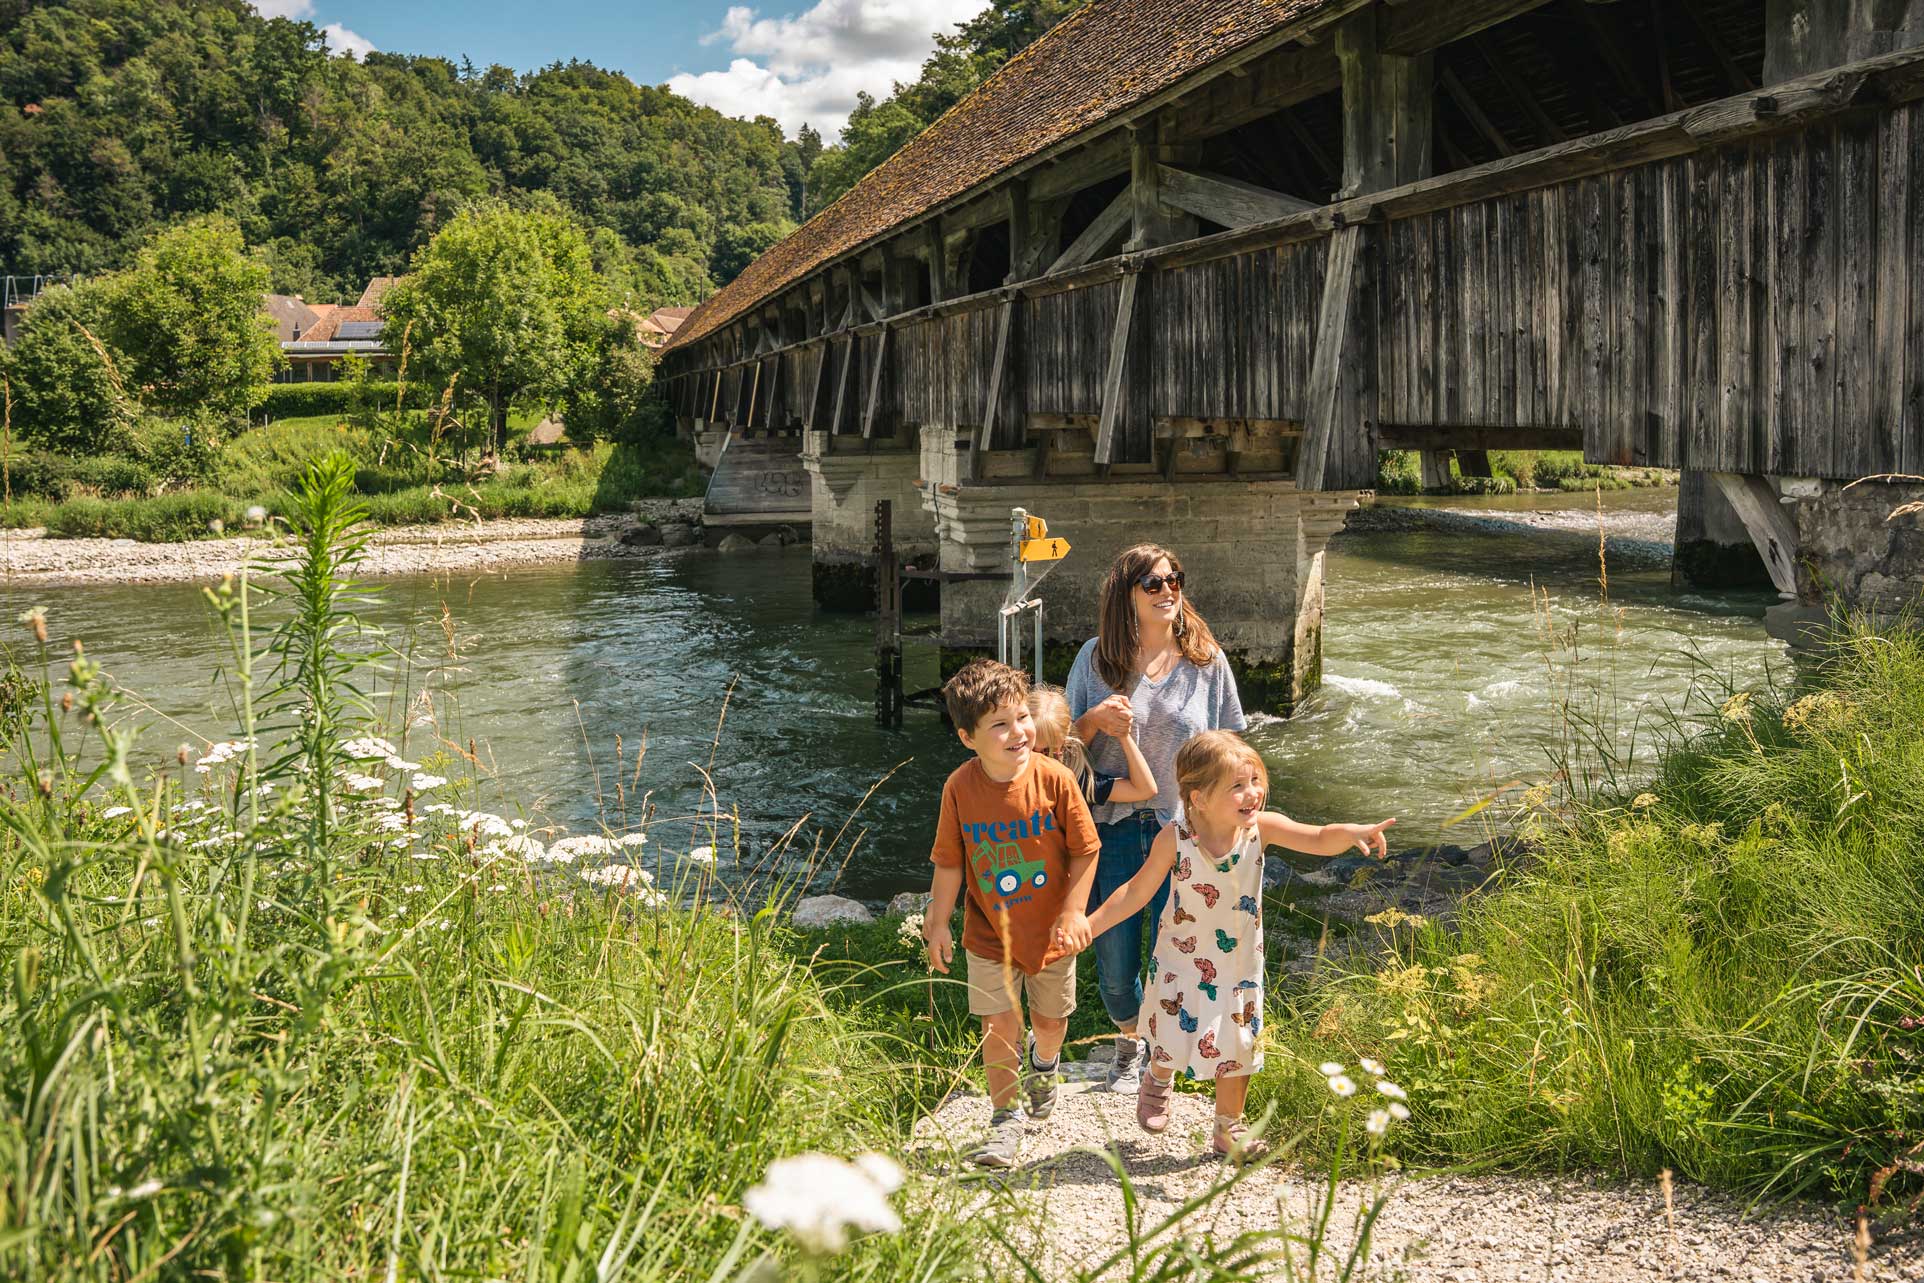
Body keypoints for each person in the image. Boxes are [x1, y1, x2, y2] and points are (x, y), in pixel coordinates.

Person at [1083, 730, 1396, 1160]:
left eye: (1255, 781)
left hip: (1238, 966)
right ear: (1198, 798)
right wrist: (1089, 926)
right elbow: (1135, 892)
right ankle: (1157, 1077)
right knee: (1170, 1029)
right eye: (1237, 786)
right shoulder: (1175, 839)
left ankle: (1227, 1128)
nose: (1253, 793)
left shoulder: (1259, 830)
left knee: (1238, 1045)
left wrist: (1351, 831)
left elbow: (1317, 836)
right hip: (1182, 960)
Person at [1065, 544, 1247, 1093]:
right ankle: (1129, 1033)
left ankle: (1153, 1059)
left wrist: (1236, 816)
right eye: (1153, 583)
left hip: (1183, 831)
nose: (1168, 590)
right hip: (1111, 827)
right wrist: (1092, 720)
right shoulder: (1094, 659)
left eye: (1175, 580)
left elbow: (1232, 747)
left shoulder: (1206, 661)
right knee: (1116, 971)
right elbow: (1060, 747)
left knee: (1177, 956)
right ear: (1126, 595)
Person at [921, 658, 1100, 1169]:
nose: (1019, 731)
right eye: (1000, 724)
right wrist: (938, 922)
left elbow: (1086, 850)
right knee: (999, 1026)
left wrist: (1074, 913)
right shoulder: (959, 788)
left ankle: (1045, 1062)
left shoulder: (1056, 779)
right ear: (967, 738)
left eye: (1021, 717)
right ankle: (1004, 1120)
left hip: (1051, 935)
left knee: (1050, 1021)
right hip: (988, 935)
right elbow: (949, 862)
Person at [1028, 684, 1157, 810]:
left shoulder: (1077, 781)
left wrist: (1122, 733)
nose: (1037, 758)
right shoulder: (1014, 779)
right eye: (1029, 749)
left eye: (1047, 751)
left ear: (1064, 744)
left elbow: (1145, 790)